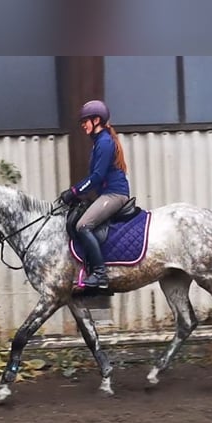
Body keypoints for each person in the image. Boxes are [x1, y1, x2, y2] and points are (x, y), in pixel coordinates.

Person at [59, 100, 131, 289]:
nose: (83, 125)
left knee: (83, 225)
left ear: (96, 120)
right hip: (106, 193)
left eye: (85, 121)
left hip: (115, 194)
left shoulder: (104, 142)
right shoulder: (99, 142)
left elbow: (97, 177)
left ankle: (100, 274)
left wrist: (74, 191)